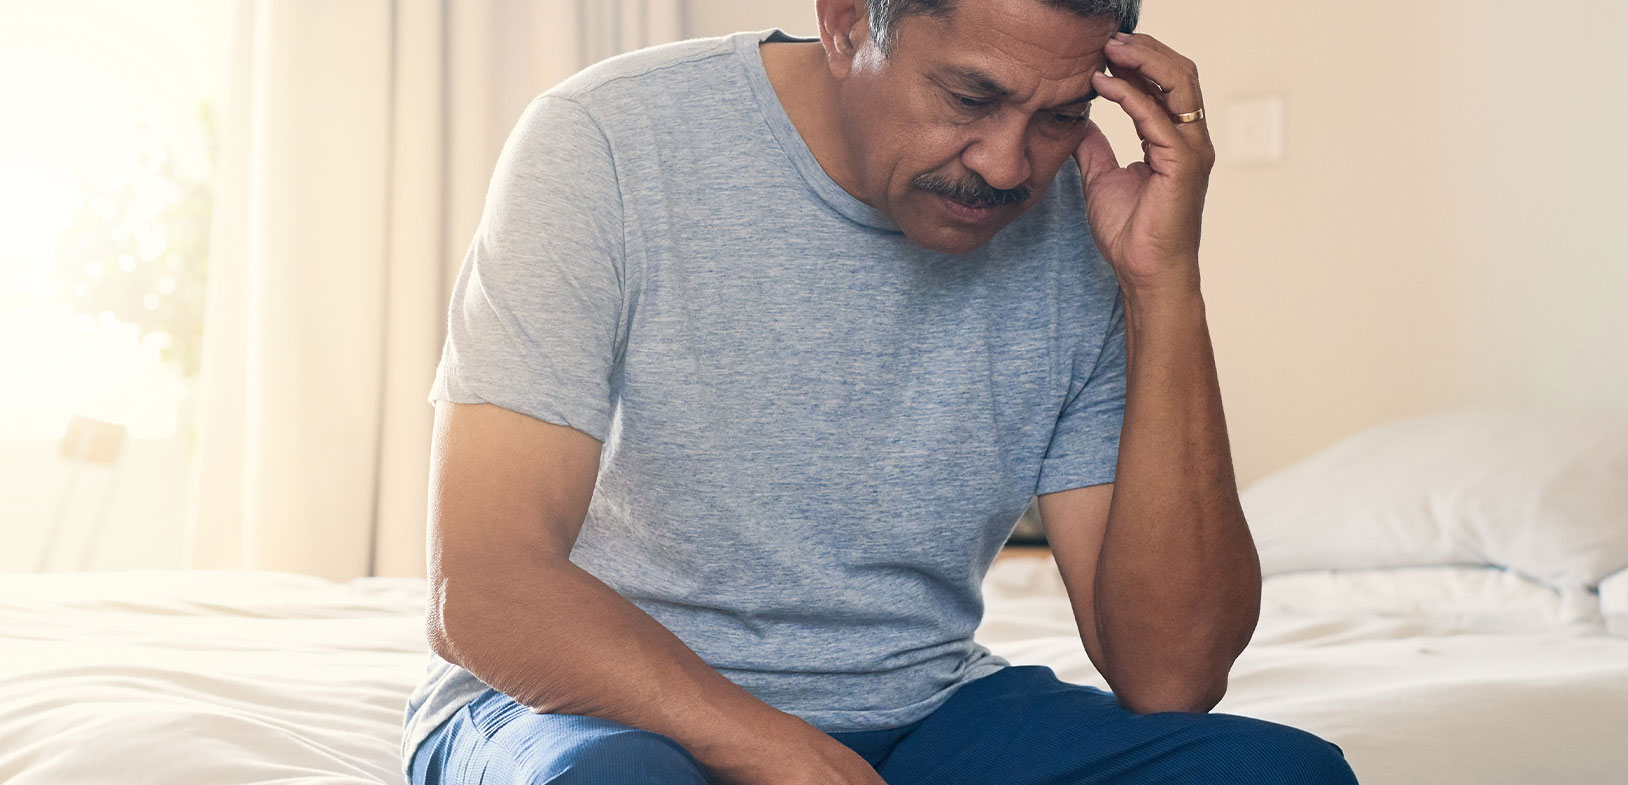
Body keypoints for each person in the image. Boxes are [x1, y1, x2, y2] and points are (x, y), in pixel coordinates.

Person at [402, 0, 1356, 782]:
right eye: (969, 95)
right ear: (847, 21)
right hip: (596, 711)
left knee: (1285, 777)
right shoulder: (606, 140)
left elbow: (1172, 675)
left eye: (1061, 117)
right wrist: (777, 749)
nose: (1005, 164)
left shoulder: (1081, 221)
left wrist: (1164, 284)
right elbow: (481, 588)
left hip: (922, 713)